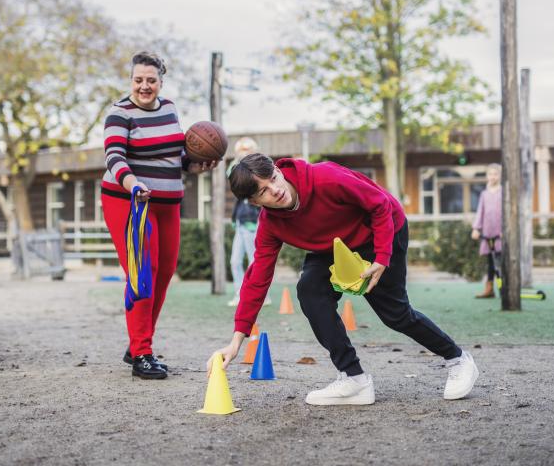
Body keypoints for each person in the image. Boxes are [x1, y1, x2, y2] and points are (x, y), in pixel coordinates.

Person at [207, 153, 479, 405]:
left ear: (278, 170)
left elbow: (380, 205)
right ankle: (354, 379)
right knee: (310, 290)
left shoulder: (325, 177)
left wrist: (383, 257)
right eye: (263, 191)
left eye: (273, 179)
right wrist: (237, 339)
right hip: (333, 245)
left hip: (380, 230)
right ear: (255, 202)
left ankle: (457, 359)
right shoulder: (271, 225)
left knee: (395, 314)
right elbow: (258, 277)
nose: (275, 189)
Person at [102, 51, 214, 380]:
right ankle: (142, 355)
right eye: (139, 80)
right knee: (143, 273)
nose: (144, 86)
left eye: (151, 80)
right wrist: (134, 184)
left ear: (161, 82)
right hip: (130, 201)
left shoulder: (169, 108)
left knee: (164, 274)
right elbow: (114, 156)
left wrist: (196, 165)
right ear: (131, 81)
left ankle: (137, 342)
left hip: (169, 205)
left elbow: (177, 157)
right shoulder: (119, 114)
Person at [226, 137, 270, 307]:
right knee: (235, 261)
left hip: (253, 223)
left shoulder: (257, 169)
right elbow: (230, 174)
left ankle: (260, 296)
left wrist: (250, 154)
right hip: (240, 222)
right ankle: (240, 293)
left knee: (254, 261)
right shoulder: (238, 170)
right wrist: (238, 157)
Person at [471, 163, 503, 299]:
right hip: (487, 233)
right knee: (491, 262)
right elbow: (480, 211)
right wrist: (476, 228)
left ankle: (505, 287)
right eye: (490, 174)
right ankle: (489, 289)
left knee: (501, 262)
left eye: (495, 174)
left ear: (500, 176)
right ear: (487, 176)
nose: (493, 177)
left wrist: (505, 230)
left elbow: (506, 212)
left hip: (500, 233)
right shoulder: (484, 194)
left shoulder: (503, 192)